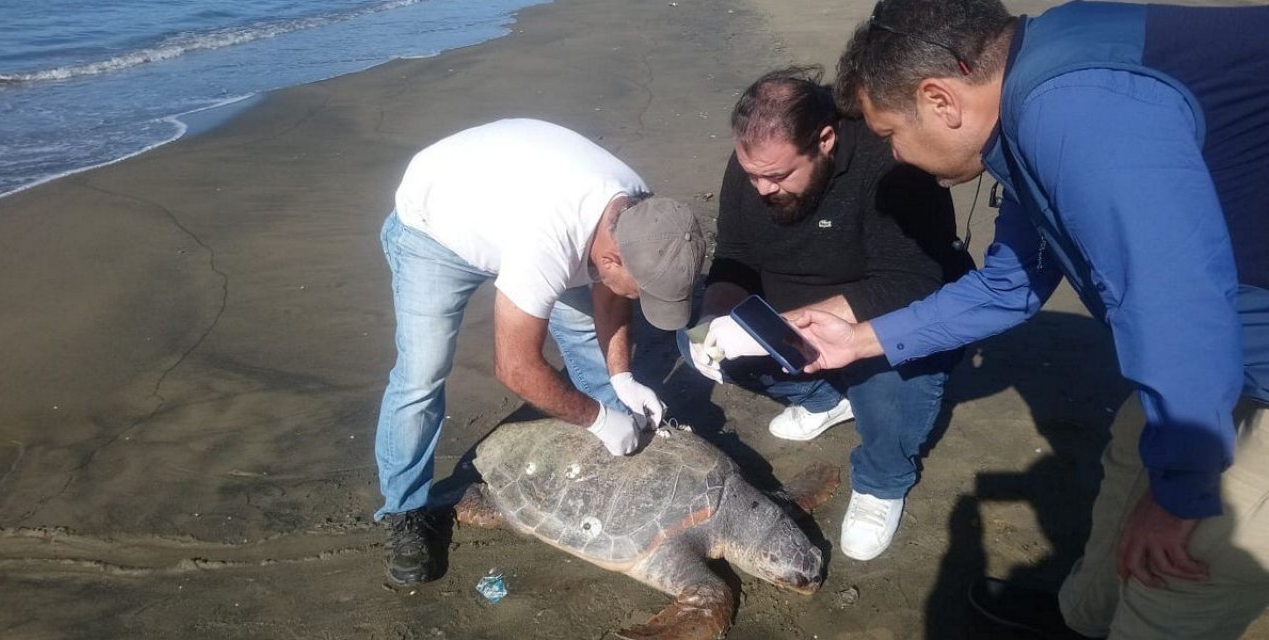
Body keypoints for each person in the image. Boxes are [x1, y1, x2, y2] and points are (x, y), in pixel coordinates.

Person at [799, 0, 1269, 636]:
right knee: (1131, 469)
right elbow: (1011, 283)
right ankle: (1084, 619)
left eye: (889, 135)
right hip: (1219, 349)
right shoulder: (1025, 101)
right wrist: (859, 339)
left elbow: (1174, 304)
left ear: (940, 100)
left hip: (1232, 342)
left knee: (1182, 568)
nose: (899, 157)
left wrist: (1182, 492)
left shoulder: (1072, 107)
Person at [374, 118, 705, 587]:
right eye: (642, 293)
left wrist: (621, 378)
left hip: (515, 210)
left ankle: (618, 447)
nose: (639, 300)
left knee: (591, 336)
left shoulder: (643, 218)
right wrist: (596, 418)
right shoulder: (549, 241)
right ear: (609, 258)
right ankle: (404, 509)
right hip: (434, 226)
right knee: (421, 374)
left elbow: (612, 294)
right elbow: (514, 368)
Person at [684, 67, 973, 561]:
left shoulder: (892, 164)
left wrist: (790, 325)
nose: (760, 188)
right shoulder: (756, 165)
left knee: (890, 383)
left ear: (824, 139)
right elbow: (734, 254)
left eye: (776, 176)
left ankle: (883, 480)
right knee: (700, 338)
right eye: (751, 173)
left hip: (889, 316)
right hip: (793, 308)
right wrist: (718, 319)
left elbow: (910, 283)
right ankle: (825, 400)